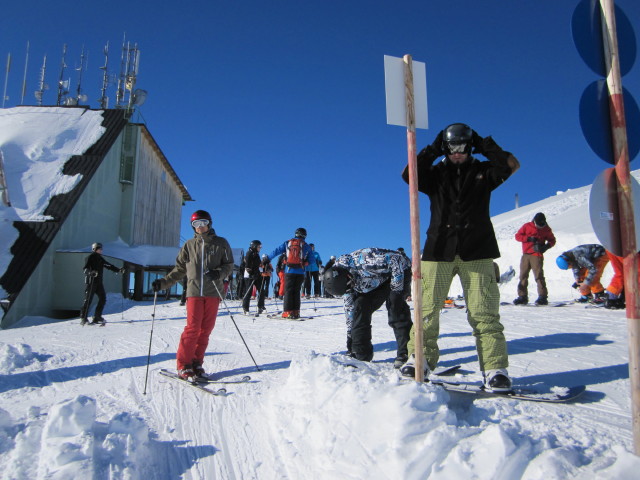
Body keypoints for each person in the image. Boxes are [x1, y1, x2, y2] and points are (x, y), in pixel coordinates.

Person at [400, 123, 520, 392]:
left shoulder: (483, 173)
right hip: (437, 251)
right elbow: (409, 173)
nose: (457, 153)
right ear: (445, 147)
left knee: (484, 312)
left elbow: (511, 165)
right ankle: (420, 359)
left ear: (470, 147)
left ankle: (494, 369)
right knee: (426, 310)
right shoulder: (434, 175)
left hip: (477, 251)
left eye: (463, 148)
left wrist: (484, 143)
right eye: (452, 147)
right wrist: (433, 148)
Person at [151, 210, 234, 380]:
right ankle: (184, 364)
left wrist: (218, 273)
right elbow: (179, 269)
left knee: (206, 330)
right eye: (196, 224)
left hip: (213, 292)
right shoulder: (189, 245)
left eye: (202, 223)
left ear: (209, 223)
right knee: (193, 329)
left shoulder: (221, 243)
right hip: (194, 292)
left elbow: (229, 265)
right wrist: (163, 283)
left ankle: (197, 362)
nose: (200, 227)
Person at [323, 248, 413, 368]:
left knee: (395, 306)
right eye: (347, 290)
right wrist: (350, 338)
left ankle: (406, 352)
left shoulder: (365, 261)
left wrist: (396, 290)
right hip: (373, 281)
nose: (350, 291)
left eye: (350, 287)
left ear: (348, 276)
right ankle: (361, 354)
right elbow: (349, 309)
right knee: (359, 307)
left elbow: (397, 259)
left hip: (399, 270)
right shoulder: (344, 282)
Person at [265, 228, 314, 319]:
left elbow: (276, 251)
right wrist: (304, 263)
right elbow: (312, 260)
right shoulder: (306, 246)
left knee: (288, 291)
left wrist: (268, 258)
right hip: (300, 272)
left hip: (289, 270)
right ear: (305, 235)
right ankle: (296, 312)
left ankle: (287, 312)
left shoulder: (288, 243)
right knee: (296, 292)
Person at [513, 212, 556, 305]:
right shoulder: (527, 226)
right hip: (526, 254)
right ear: (534, 221)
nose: (540, 227)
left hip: (537, 255)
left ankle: (542, 296)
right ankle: (522, 296)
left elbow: (552, 240)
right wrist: (528, 238)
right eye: (538, 225)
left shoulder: (546, 229)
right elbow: (517, 236)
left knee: (538, 275)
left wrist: (545, 247)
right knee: (523, 276)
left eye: (542, 225)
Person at [80, 242, 124, 326]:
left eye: (101, 249)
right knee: (88, 299)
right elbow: (85, 269)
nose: (101, 250)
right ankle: (83, 318)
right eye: (99, 249)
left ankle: (97, 316)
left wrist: (118, 270)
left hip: (98, 282)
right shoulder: (90, 257)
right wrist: (91, 272)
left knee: (103, 298)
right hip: (91, 282)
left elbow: (108, 265)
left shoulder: (100, 259)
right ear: (95, 249)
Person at [241, 240, 265, 315]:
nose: (260, 248)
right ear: (254, 246)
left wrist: (262, 269)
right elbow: (247, 266)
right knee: (249, 292)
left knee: (261, 290)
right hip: (249, 276)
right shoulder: (249, 254)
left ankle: (261, 307)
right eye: (259, 247)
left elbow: (258, 265)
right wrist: (251, 274)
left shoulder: (257, 254)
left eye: (260, 247)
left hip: (256, 275)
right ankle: (246, 308)